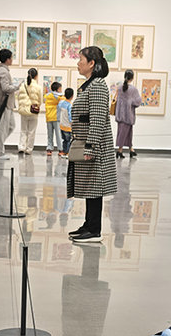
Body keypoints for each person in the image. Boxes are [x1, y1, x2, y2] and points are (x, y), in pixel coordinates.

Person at [66, 46, 117, 243]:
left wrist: (91, 147)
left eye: (81, 59)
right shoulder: (89, 85)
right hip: (85, 142)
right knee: (90, 186)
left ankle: (95, 230)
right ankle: (88, 224)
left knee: (95, 187)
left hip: (94, 146)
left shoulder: (98, 86)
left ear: (91, 63)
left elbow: (97, 120)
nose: (78, 63)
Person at [0, 48, 18, 160]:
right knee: (2, 128)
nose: (12, 59)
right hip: (4, 104)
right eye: (11, 58)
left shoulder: (3, 70)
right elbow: (6, 88)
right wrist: (17, 87)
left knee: (11, 126)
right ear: (7, 59)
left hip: (7, 104)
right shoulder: (3, 72)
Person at [114, 69, 142, 158]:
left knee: (124, 133)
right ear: (132, 78)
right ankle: (120, 151)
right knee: (125, 133)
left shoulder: (119, 88)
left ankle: (130, 150)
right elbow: (138, 102)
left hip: (120, 115)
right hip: (128, 115)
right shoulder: (133, 89)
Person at [17, 68, 42, 155]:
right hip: (33, 111)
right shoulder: (38, 87)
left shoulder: (22, 85)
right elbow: (40, 101)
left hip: (23, 111)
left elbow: (19, 98)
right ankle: (29, 149)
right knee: (31, 131)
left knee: (23, 130)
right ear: (36, 76)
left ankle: (21, 147)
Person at [44, 81, 64, 156]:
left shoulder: (47, 96)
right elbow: (63, 99)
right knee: (58, 135)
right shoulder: (59, 96)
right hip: (56, 117)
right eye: (60, 88)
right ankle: (60, 149)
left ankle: (49, 149)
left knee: (49, 134)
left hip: (48, 117)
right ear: (58, 89)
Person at [58, 87, 73, 158]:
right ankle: (68, 153)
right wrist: (72, 123)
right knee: (68, 140)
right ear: (72, 96)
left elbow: (58, 105)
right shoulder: (70, 105)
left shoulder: (61, 103)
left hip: (62, 125)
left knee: (64, 140)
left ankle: (64, 152)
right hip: (68, 126)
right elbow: (70, 116)